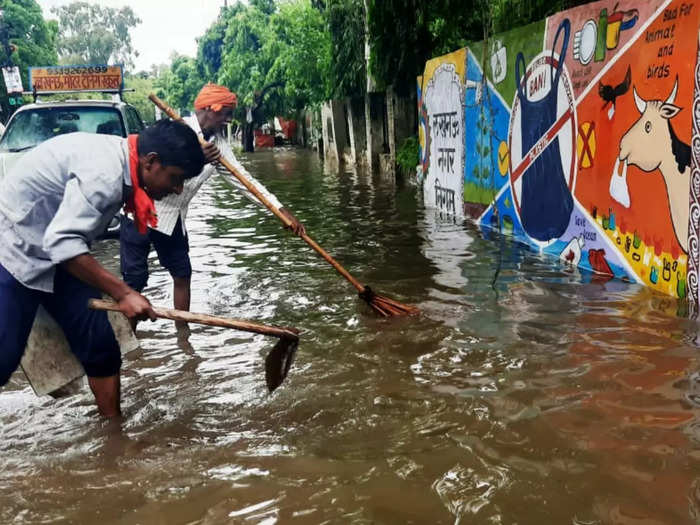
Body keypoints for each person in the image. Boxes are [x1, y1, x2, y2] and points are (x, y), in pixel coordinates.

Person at [0, 120, 206, 418]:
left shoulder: (125, 164)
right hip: (14, 248)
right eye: (175, 178)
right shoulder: (105, 176)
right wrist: (123, 293)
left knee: (101, 347)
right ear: (151, 162)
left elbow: (64, 244)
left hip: (55, 252)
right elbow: (64, 245)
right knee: (4, 357)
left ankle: (113, 438)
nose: (178, 189)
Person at [119, 83, 305, 319]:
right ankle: (129, 340)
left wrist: (280, 211)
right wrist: (197, 158)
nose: (228, 120)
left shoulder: (219, 146)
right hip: (141, 209)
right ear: (209, 109)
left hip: (173, 217)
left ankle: (183, 335)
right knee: (134, 279)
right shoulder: (176, 129)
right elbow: (155, 168)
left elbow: (244, 181)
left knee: (182, 273)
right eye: (226, 114)